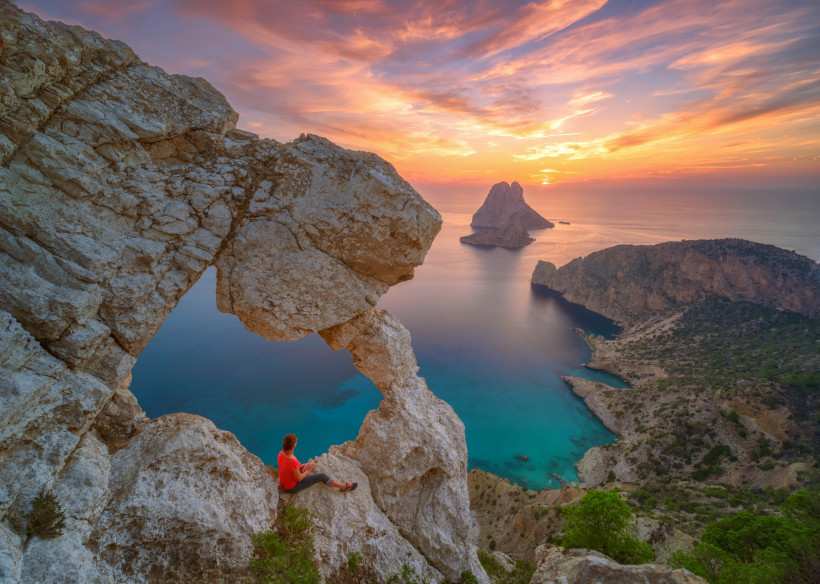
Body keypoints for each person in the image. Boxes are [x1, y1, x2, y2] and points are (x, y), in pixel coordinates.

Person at [277, 433, 357, 493]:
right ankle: (343, 487)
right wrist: (308, 470)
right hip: (291, 488)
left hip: (284, 482)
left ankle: (341, 485)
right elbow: (299, 478)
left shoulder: (281, 454)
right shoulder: (292, 461)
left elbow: (289, 468)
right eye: (296, 441)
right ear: (294, 445)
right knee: (321, 476)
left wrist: (301, 467)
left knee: (307, 467)